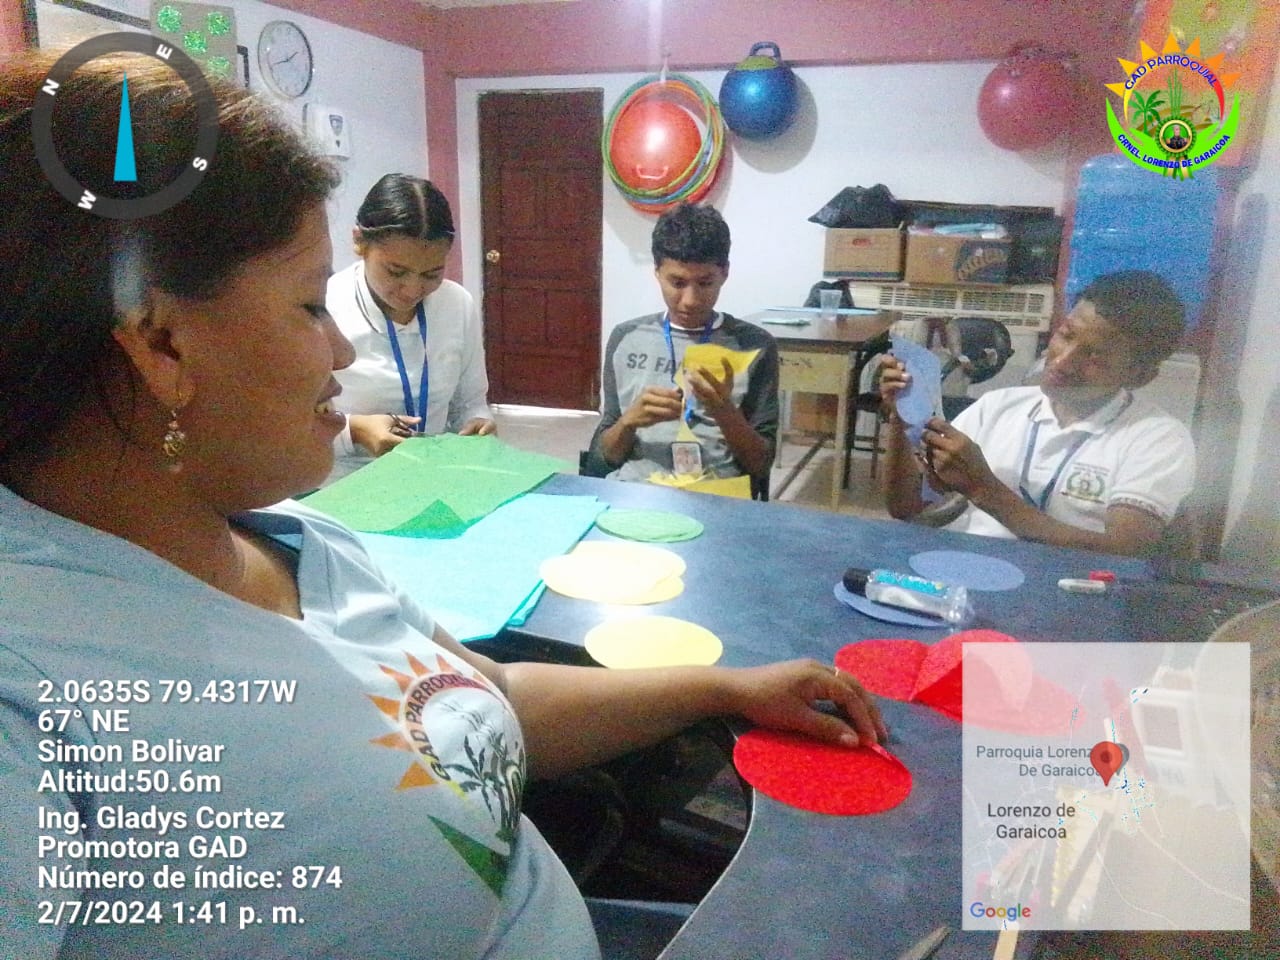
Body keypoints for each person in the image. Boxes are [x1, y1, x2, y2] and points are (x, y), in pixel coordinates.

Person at [0, 50, 885, 960]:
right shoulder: (28, 697)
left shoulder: (303, 542)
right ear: (161, 344)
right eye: (308, 307)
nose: (341, 352)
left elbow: (494, 695)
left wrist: (725, 687)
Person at [879, 270, 1195, 556]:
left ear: (1140, 376)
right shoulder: (998, 407)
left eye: (1095, 356)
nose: (1062, 361)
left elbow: (1125, 552)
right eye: (1066, 335)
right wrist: (900, 417)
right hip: (966, 570)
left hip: (1068, 590)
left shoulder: (1157, 438)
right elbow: (907, 508)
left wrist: (983, 488)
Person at [586, 203, 779, 487]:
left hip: (715, 493)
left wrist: (724, 411)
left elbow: (760, 465)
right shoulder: (626, 338)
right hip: (636, 491)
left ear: (725, 272)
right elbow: (602, 459)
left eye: (705, 283)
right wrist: (629, 422)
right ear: (657, 272)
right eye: (677, 283)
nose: (690, 300)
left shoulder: (754, 346)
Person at [325, 174, 494, 482]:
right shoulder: (325, 308)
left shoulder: (456, 304)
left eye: (432, 274)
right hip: (344, 484)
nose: (412, 289)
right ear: (359, 241)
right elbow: (287, 429)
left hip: (434, 479)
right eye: (396, 272)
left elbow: (470, 402)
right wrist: (355, 431)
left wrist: (477, 422)